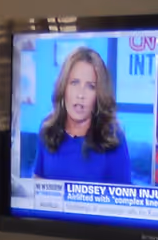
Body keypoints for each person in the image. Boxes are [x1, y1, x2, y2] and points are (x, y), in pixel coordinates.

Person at [31, 46, 132, 183]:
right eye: (74, 83)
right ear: (63, 87)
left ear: (99, 95)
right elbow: (37, 185)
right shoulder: (48, 129)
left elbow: (122, 201)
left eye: (90, 86)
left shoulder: (113, 139)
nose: (80, 94)